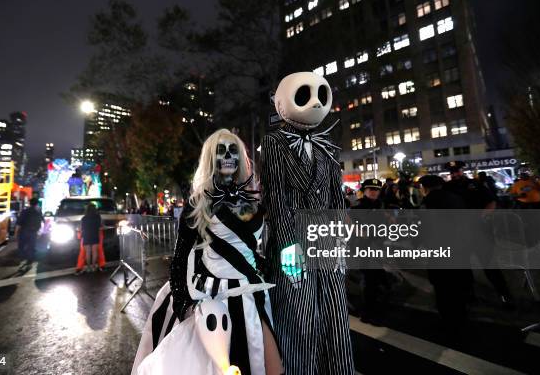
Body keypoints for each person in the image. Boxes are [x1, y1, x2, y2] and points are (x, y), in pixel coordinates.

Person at [132, 129, 283, 375]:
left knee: (271, 366)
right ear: (210, 158)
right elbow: (180, 256)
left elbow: (250, 249)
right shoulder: (199, 202)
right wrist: (183, 305)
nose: (227, 156)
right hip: (214, 297)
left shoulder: (253, 201)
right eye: (220, 151)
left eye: (233, 150)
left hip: (252, 295)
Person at [260, 72, 354, 375]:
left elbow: (336, 196)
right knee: (299, 316)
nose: (314, 102)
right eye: (304, 95)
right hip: (293, 238)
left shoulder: (329, 146)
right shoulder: (274, 142)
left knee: (335, 312)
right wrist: (288, 243)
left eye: (319, 95)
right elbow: (275, 196)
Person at [443, 161, 514, 309]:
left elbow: (491, 202)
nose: (455, 174)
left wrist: (482, 216)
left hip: (479, 231)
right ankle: (470, 296)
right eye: (452, 172)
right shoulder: (447, 187)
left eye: (457, 171)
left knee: (490, 265)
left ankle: (505, 296)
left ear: (462, 170)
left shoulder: (475, 184)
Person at [419, 175, 472, 334]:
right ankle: (462, 317)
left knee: (443, 290)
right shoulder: (456, 199)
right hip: (460, 250)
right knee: (458, 287)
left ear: (424, 188)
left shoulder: (427, 203)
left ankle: (449, 323)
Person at [352, 178, 390, 326]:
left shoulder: (380, 205)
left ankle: (373, 309)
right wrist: (358, 230)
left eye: (377, 190)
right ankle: (368, 313)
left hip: (379, 247)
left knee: (377, 280)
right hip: (365, 248)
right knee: (370, 282)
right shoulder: (358, 206)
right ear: (364, 191)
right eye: (371, 189)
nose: (374, 192)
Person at [14, 197, 44, 265]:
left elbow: (19, 223)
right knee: (31, 246)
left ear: (30, 203)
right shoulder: (38, 212)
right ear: (37, 204)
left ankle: (21, 259)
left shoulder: (25, 211)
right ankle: (29, 260)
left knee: (22, 246)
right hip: (33, 232)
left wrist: (16, 233)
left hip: (24, 231)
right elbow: (42, 222)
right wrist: (39, 231)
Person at [80, 203, 102, 272]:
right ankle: (93, 266)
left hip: (86, 235)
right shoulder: (97, 217)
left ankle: (88, 267)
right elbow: (100, 226)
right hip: (95, 234)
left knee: (88, 252)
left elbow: (82, 228)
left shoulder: (84, 218)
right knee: (94, 251)